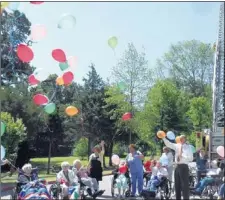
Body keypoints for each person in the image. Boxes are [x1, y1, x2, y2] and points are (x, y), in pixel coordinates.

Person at [162, 135, 193, 200]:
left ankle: (186, 198)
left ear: (185, 139)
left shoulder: (188, 147)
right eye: (180, 138)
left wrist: (182, 156)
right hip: (177, 166)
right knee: (177, 184)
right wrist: (163, 137)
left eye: (182, 138)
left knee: (184, 185)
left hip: (184, 166)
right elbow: (168, 144)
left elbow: (191, 158)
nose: (181, 139)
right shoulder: (177, 145)